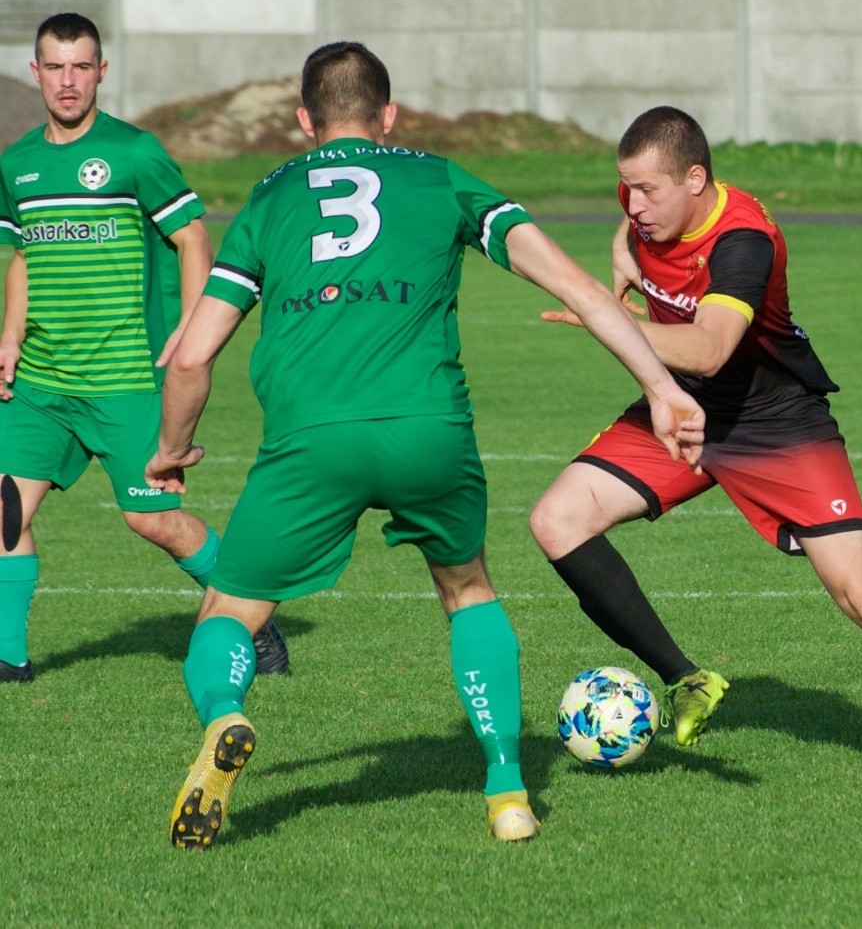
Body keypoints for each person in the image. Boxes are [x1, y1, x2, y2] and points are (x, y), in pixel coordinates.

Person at [145, 43, 704, 849]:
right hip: (427, 431)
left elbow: (193, 355)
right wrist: (661, 386)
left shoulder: (266, 203)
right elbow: (579, 289)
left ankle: (228, 715)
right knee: (468, 590)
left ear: (304, 120)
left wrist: (172, 449)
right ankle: (508, 793)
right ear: (390, 116)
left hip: (312, 438)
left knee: (229, 610)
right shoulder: (442, 178)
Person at [530, 106, 862, 786]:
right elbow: (640, 235)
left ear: (695, 180)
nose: (633, 204)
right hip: (684, 409)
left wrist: (609, 320)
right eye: (624, 190)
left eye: (647, 192)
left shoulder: (744, 241)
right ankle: (687, 678)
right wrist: (622, 247)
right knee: (556, 520)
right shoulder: (647, 205)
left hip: (775, 421)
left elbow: (711, 349)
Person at [0, 13, 287, 683]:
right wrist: (9, 334)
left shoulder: (134, 154)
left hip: (126, 379)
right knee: (5, 509)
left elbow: (192, 236)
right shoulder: (17, 164)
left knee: (152, 521)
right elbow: (20, 254)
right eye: (54, 66)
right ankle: (9, 659)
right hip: (40, 384)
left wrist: (192, 326)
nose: (67, 81)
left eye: (81, 67)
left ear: (102, 72)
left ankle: (253, 616)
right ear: (34, 72)